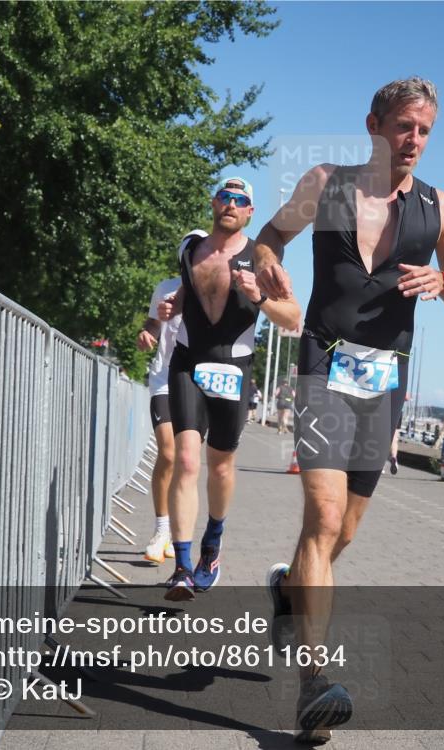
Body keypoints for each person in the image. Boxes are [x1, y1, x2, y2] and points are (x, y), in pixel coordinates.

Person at [253, 78, 444, 741]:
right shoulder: (326, 183)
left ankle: (287, 591)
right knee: (323, 516)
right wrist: (267, 263)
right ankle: (313, 685)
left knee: (343, 533)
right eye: (404, 126)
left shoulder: (438, 208)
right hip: (324, 362)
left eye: (425, 130)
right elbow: (271, 236)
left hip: (384, 380)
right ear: (374, 125)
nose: (414, 140)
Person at [158, 177, 300, 601]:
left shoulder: (261, 258)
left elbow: (294, 317)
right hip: (188, 362)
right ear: (214, 202)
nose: (231, 205)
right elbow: (189, 290)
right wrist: (172, 306)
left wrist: (260, 298)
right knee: (187, 459)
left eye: (240, 200)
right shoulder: (190, 248)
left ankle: (212, 544)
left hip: (233, 368)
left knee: (220, 467)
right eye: (225, 197)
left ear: (250, 211)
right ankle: (182, 568)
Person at [136, 229, 208, 565]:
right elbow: (153, 324)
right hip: (164, 379)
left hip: (199, 383)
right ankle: (161, 529)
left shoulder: (215, 291)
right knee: (167, 452)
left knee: (187, 460)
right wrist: (146, 333)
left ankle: (181, 537)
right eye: (190, 255)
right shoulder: (165, 288)